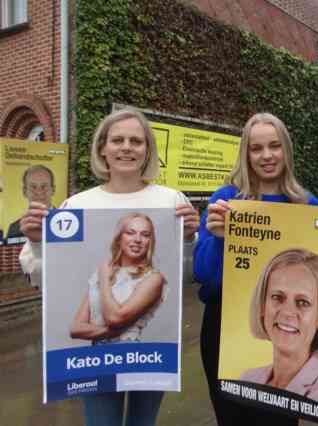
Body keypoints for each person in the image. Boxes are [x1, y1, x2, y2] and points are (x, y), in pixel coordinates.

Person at [19, 108, 199, 426]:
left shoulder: (171, 201)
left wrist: (188, 239)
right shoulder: (77, 205)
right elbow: (48, 279)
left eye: (136, 141)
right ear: (103, 147)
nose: (126, 147)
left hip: (153, 351)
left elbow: (185, 274)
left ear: (147, 150)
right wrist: (36, 241)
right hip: (94, 359)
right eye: (117, 140)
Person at [193, 112, 318, 425]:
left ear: (286, 150)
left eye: (274, 146)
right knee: (232, 418)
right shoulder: (225, 201)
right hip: (226, 326)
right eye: (256, 148)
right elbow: (204, 277)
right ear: (246, 154)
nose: (266, 156)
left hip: (286, 329)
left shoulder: (308, 206)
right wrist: (221, 240)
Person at [240, 248, 318, 411]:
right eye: (277, 297)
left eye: (303, 302)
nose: (287, 312)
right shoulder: (248, 379)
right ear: (262, 306)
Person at [70, 213, 166, 344]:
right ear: (119, 238)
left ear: (150, 242)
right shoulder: (106, 270)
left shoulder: (153, 279)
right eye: (130, 233)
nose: (137, 239)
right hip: (96, 356)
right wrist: (113, 331)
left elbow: (114, 318)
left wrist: (104, 278)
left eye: (145, 235)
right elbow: (76, 328)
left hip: (128, 352)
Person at [7, 164, 56, 242]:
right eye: (33, 187)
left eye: (44, 186)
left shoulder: (65, 222)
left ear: (53, 190)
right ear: (24, 192)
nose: (39, 192)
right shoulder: (14, 228)